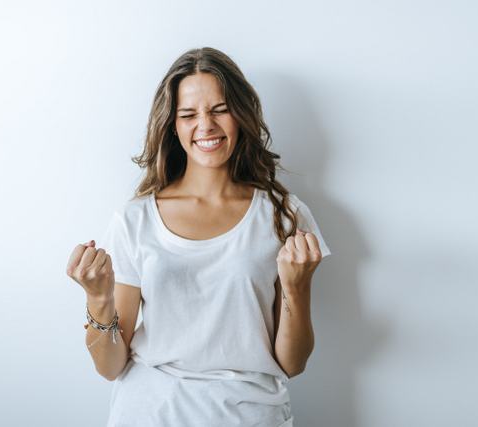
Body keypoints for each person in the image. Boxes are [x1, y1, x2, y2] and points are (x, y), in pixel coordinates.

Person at [66, 47, 332, 427]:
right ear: (172, 125)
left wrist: (297, 285)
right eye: (188, 114)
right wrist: (98, 298)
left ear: (241, 115)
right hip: (148, 413)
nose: (205, 125)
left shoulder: (284, 215)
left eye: (219, 110)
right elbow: (110, 367)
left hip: (252, 416)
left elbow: (293, 363)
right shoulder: (135, 219)